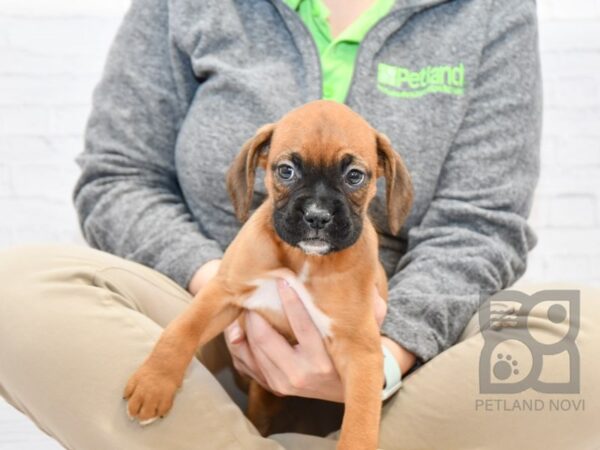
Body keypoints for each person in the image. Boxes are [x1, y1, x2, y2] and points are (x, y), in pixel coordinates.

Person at [0, 0, 598, 448]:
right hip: (216, 334)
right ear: (259, 167)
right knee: (14, 291)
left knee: (584, 344)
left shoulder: (491, 10)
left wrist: (391, 355)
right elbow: (116, 177)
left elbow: (484, 224)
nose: (316, 208)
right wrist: (225, 280)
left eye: (352, 179)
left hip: (406, 362)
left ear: (385, 176)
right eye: (287, 173)